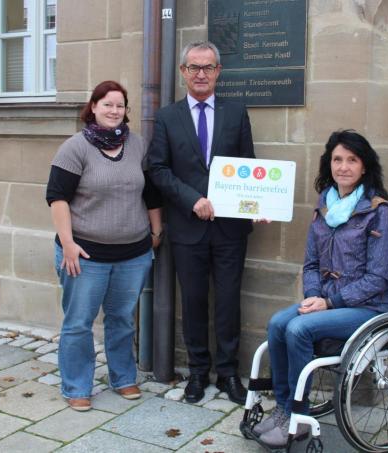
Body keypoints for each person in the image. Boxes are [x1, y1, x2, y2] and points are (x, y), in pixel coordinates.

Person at [254, 130, 388, 448]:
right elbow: (310, 265)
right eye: (337, 159)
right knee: (278, 323)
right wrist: (314, 296)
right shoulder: (324, 208)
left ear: (364, 166)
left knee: (298, 330)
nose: (343, 166)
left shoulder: (380, 212)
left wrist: (329, 302)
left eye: (351, 159)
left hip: (369, 306)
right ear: (328, 163)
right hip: (328, 301)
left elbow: (378, 278)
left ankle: (298, 418)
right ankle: (283, 409)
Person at [147, 40, 254, 405]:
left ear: (219, 72)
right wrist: (192, 200)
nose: (201, 74)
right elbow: (157, 170)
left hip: (229, 230)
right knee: (192, 302)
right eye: (194, 67)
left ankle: (227, 374)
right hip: (187, 229)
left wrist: (258, 202)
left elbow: (249, 169)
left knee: (228, 302)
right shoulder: (167, 117)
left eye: (208, 67)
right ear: (183, 72)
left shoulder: (236, 113)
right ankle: (196, 373)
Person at [45, 80, 163, 412]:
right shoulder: (75, 148)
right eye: (107, 104)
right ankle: (77, 386)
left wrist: (156, 232)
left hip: (133, 255)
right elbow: (57, 197)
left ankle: (123, 378)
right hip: (85, 256)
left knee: (122, 319)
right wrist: (67, 243)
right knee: (79, 322)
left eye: (120, 105)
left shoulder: (137, 145)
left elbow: (150, 193)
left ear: (126, 111)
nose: (114, 111)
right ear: (93, 107)